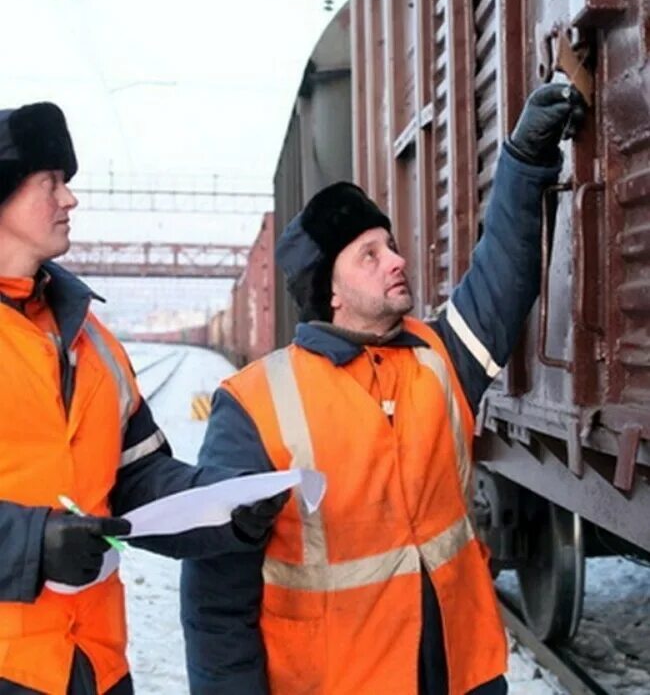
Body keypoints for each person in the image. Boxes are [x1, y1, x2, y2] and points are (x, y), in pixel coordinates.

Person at [180, 83, 585, 695]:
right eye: (368, 255)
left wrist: (526, 161)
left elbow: (503, 271)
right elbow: (216, 598)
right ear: (331, 291)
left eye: (390, 246)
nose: (395, 260)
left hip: (461, 672)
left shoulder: (437, 357)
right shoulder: (255, 405)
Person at [0, 101, 287, 695]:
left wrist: (220, 507)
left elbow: (137, 477)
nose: (70, 199)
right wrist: (33, 544)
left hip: (96, 667)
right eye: (50, 182)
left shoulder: (91, 340)